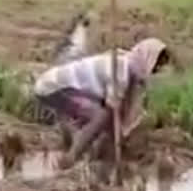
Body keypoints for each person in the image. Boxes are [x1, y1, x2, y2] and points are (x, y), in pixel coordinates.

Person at [33, 37, 170, 170]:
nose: (155, 71)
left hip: (60, 87)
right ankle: (70, 160)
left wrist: (119, 138)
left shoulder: (127, 64)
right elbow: (111, 109)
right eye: (155, 66)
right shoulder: (121, 70)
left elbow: (116, 112)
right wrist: (118, 141)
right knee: (100, 115)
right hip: (51, 87)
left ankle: (83, 151)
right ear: (146, 59)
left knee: (99, 117)